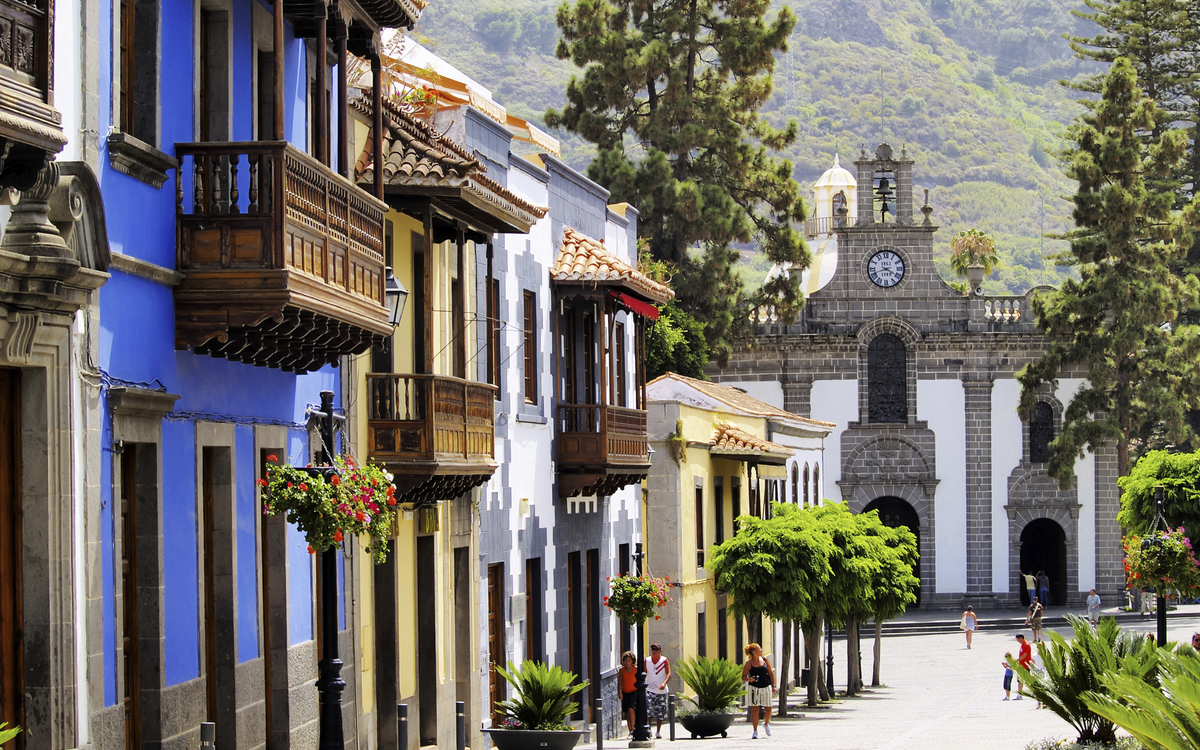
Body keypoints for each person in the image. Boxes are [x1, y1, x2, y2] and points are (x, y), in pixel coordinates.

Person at [741, 643, 776, 739]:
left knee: (768, 708)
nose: (761, 650)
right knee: (755, 709)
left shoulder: (764, 660)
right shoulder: (749, 664)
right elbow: (743, 677)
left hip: (766, 686)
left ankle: (766, 723)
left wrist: (773, 685)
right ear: (754, 652)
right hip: (754, 688)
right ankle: (755, 731)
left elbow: (770, 672)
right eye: (759, 649)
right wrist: (749, 679)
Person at [645, 643, 671, 739]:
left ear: (660, 651)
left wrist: (664, 683)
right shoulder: (647, 660)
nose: (654, 651)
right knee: (648, 710)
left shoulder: (664, 660)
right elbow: (644, 672)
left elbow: (668, 673)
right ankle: (648, 729)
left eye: (656, 649)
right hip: (649, 689)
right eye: (652, 649)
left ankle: (658, 731)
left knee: (660, 712)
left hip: (661, 691)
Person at [619, 651, 637, 737]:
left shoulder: (635, 669)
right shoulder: (621, 670)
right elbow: (620, 682)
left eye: (629, 660)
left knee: (631, 709)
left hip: (633, 691)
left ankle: (633, 728)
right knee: (626, 712)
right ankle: (630, 730)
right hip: (625, 692)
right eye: (626, 661)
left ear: (632, 661)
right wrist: (620, 692)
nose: (627, 663)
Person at [1014, 634, 1033, 700]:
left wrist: (1017, 660)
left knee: (1027, 680)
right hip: (1021, 665)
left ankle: (1034, 692)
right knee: (1020, 680)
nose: (1018, 641)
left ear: (1021, 638)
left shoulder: (1026, 645)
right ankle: (1020, 693)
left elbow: (1025, 655)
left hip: (1025, 665)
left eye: (1018, 639)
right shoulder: (1023, 644)